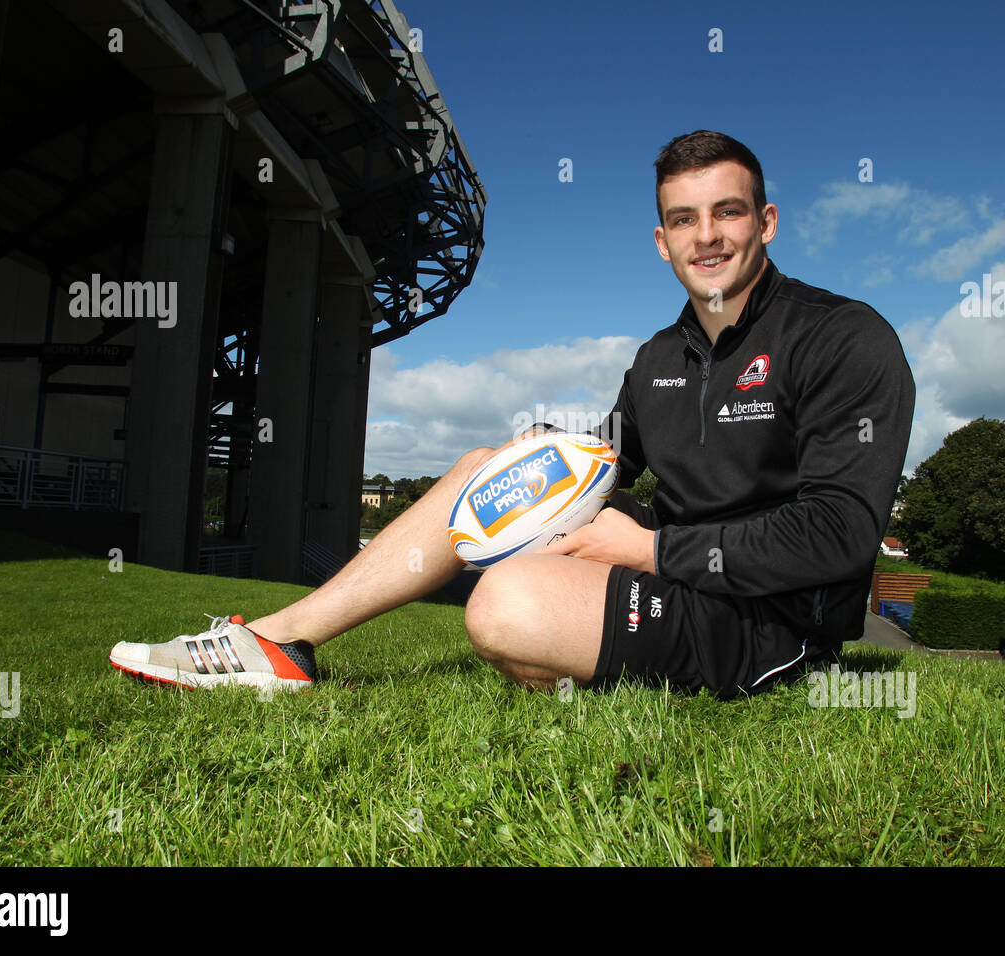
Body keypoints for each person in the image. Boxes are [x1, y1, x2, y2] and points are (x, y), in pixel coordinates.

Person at [109, 130, 915, 700]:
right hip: (667, 568)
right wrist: (549, 453)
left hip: (774, 620)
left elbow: (842, 531)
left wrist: (653, 548)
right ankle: (281, 642)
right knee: (481, 471)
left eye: (728, 212)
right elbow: (612, 461)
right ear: (661, 242)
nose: (707, 236)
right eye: (683, 219)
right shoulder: (658, 360)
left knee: (506, 606)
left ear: (765, 223)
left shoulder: (842, 336)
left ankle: (571, 645)